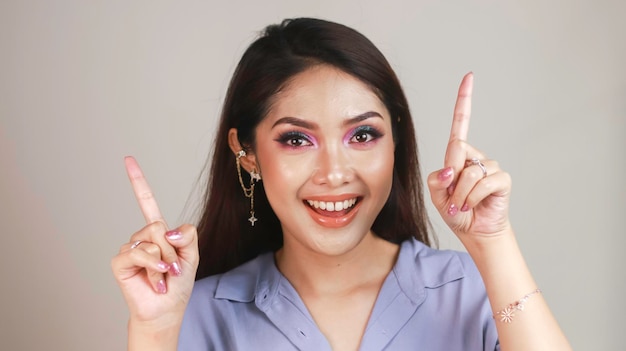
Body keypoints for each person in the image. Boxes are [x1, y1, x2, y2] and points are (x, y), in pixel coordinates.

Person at [111, 18, 571, 350]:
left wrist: (493, 241)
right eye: (296, 139)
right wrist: (154, 332)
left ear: (396, 142)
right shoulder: (199, 314)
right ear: (247, 153)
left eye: (363, 135)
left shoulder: (468, 290)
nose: (334, 172)